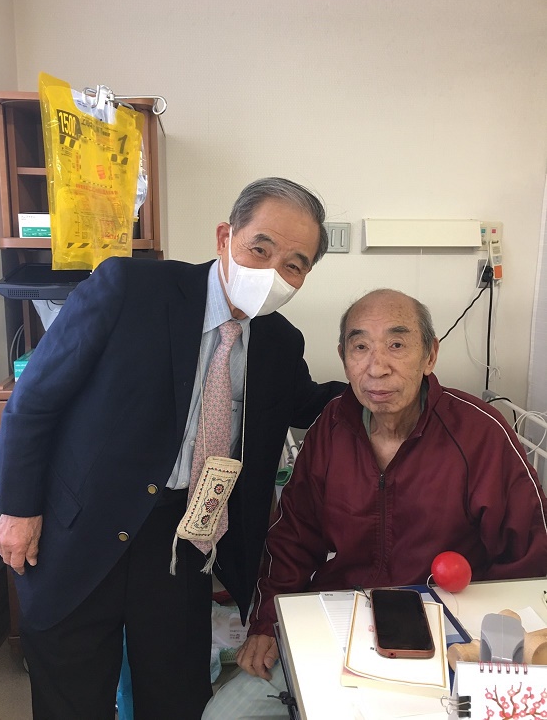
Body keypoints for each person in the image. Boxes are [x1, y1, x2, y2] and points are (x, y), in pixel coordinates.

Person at [0, 177, 345, 720]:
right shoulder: (130, 288)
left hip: (181, 537)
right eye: (261, 249)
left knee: (176, 695)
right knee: (72, 696)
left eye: (294, 265)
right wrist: (17, 509)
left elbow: (305, 403)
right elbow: (35, 400)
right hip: (81, 524)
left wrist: (376, 387)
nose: (274, 273)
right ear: (225, 236)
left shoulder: (279, 342)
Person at [203, 288, 547, 720]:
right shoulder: (331, 427)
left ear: (430, 355)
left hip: (452, 628)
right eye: (360, 347)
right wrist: (266, 622)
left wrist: (493, 644)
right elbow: (293, 537)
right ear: (344, 357)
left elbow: (530, 554)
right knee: (223, 715)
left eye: (397, 345)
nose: (377, 367)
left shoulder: (481, 433)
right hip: (344, 617)